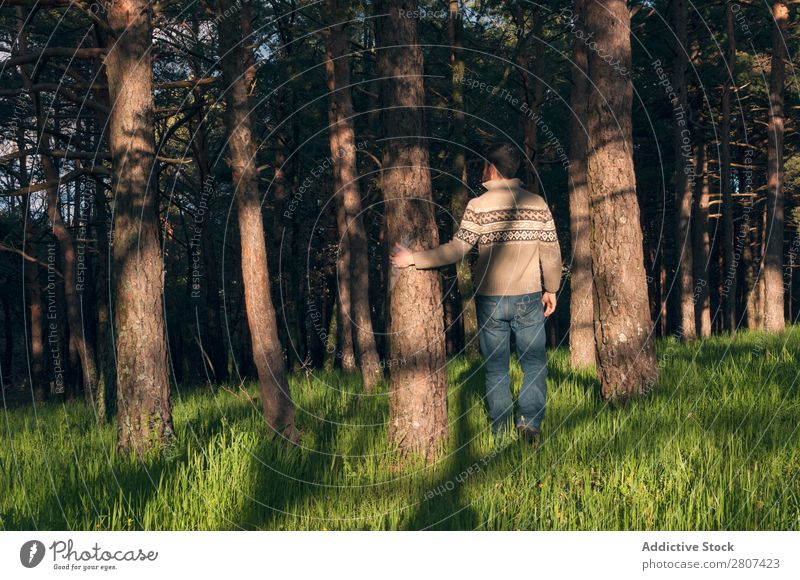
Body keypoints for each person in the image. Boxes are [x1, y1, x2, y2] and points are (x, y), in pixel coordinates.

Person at [389, 143, 562, 443]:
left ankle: (501, 432)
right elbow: (551, 252)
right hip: (529, 297)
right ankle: (530, 425)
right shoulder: (538, 205)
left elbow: (457, 251)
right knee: (533, 363)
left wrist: (413, 259)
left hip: (490, 300)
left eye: (484, 164)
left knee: (496, 368)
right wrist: (552, 289)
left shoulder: (478, 206)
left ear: (492, 169)